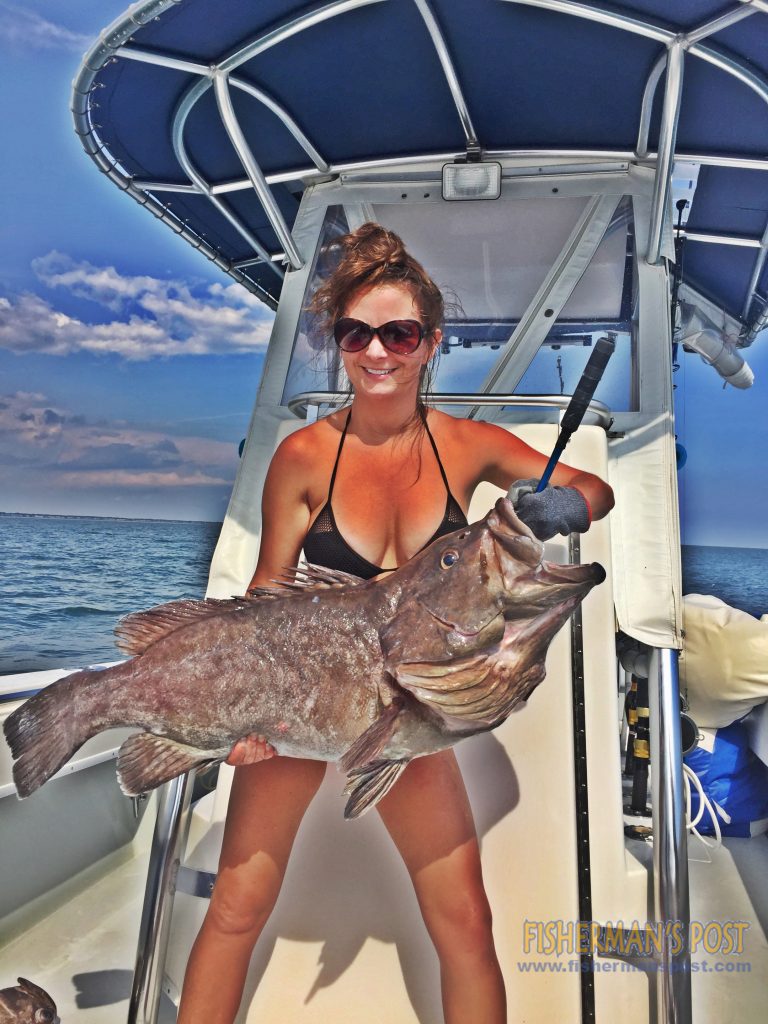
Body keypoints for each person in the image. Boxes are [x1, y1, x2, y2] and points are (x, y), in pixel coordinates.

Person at [177, 223, 614, 1023]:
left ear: (430, 343)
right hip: (299, 698)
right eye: (356, 333)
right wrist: (237, 720)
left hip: (409, 706)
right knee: (236, 909)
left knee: (466, 924)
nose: (377, 352)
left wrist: (560, 505)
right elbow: (267, 593)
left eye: (399, 333)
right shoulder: (305, 455)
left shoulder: (466, 444)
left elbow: (593, 487)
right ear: (339, 342)